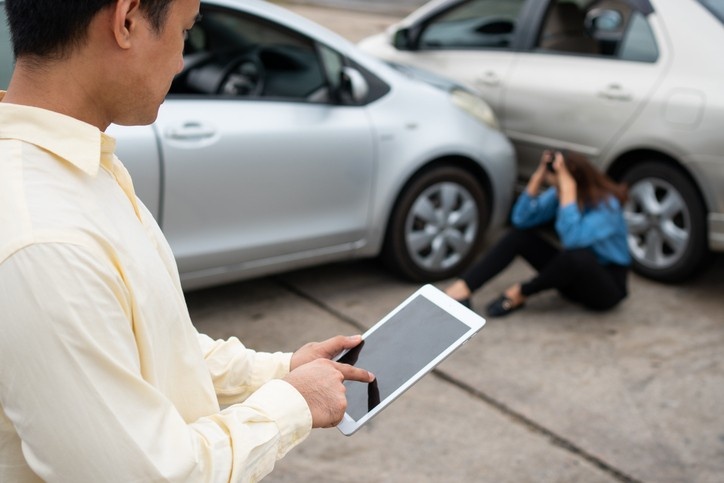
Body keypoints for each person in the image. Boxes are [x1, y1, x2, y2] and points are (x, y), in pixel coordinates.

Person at [0, 1, 374, 481]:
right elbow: (148, 474)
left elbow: (153, 342)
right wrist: (293, 403)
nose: (181, 61)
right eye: (184, 31)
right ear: (128, 19)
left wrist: (280, 370)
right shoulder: (44, 241)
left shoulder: (79, 165)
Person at [445, 149, 631, 317]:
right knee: (519, 237)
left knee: (577, 256)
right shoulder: (559, 193)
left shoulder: (607, 206)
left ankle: (520, 292)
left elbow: (573, 240)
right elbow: (521, 220)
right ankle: (462, 289)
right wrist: (537, 178)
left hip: (606, 289)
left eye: (559, 182)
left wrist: (568, 190)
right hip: (570, 279)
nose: (556, 190)